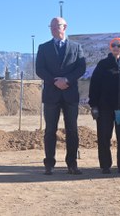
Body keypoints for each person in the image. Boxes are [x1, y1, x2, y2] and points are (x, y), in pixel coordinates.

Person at [36, 17, 86, 175]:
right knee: (50, 130)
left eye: (56, 26)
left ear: (65, 27)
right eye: (51, 26)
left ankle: (72, 163)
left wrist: (67, 80)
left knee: (72, 130)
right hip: (51, 94)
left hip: (70, 94)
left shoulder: (76, 47)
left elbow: (81, 68)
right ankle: (49, 164)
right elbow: (40, 69)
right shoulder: (43, 48)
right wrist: (54, 81)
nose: (53, 29)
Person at [88, 38, 120, 175]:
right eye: (113, 45)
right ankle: (105, 166)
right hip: (105, 108)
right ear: (110, 48)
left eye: (119, 45)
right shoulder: (102, 65)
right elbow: (94, 86)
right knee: (104, 137)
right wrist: (94, 106)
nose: (116, 47)